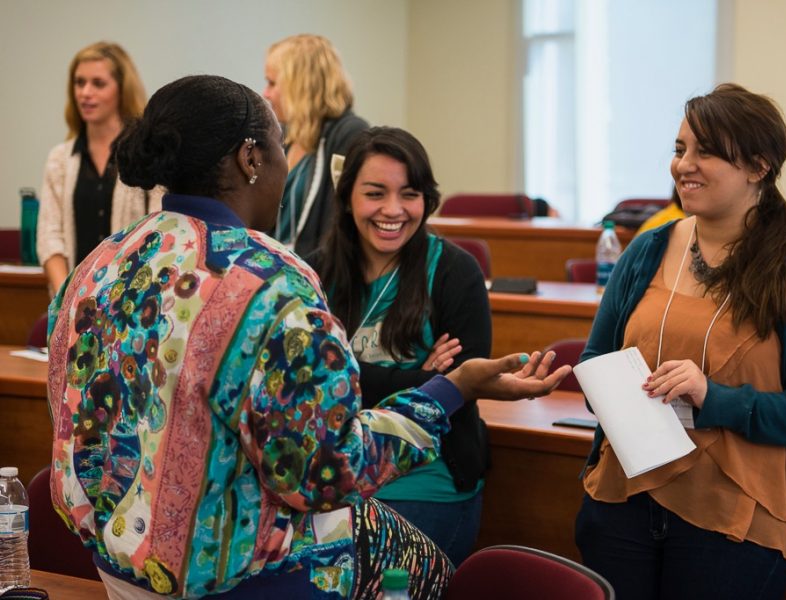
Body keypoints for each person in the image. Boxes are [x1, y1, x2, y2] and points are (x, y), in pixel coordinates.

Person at [46, 74, 570, 600]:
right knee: (425, 572)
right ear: (251, 159)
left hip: (120, 567)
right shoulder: (268, 282)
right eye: (281, 146)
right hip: (239, 577)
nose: (286, 164)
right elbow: (327, 472)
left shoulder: (100, 262)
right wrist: (448, 391)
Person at [574, 83, 786, 600]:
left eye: (706, 151)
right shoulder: (648, 250)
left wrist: (714, 398)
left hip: (737, 511)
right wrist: (611, 389)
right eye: (680, 149)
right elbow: (597, 358)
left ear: (758, 166)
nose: (684, 164)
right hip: (625, 496)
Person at [312, 127, 496, 566]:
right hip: (336, 476)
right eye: (375, 193)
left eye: (409, 194)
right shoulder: (316, 273)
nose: (393, 210)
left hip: (426, 480)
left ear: (426, 201)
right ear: (347, 198)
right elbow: (309, 388)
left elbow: (462, 388)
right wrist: (424, 380)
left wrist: (346, 372)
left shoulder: (455, 271)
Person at [37, 41, 162, 295]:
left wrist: (121, 297)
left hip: (131, 300)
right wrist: (67, 297)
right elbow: (50, 238)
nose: (85, 92)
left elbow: (158, 230)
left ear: (122, 90)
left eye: (98, 83)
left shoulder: (147, 153)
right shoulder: (60, 159)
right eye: (79, 82)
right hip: (73, 303)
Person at [263, 34, 369, 257]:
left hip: (315, 275)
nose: (266, 93)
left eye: (272, 83)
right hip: (276, 268)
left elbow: (340, 225)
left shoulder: (349, 134)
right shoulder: (284, 138)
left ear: (300, 85)